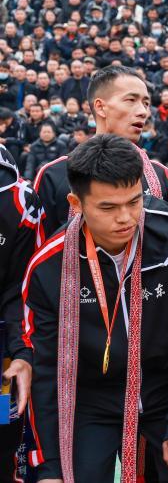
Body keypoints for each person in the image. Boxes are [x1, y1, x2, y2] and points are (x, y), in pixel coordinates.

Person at [22, 134, 168, 482]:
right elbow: (46, 370)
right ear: (76, 203)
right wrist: (49, 466)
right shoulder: (50, 267)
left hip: (165, 390)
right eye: (108, 208)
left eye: (134, 202)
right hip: (94, 398)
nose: (125, 218)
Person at [33, 65, 168, 241]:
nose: (143, 112)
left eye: (146, 103)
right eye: (131, 100)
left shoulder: (163, 176)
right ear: (100, 107)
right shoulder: (53, 174)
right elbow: (39, 248)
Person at [0, 145, 39, 482]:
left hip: (2, 346)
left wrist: (21, 350)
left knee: (3, 425)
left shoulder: (19, 201)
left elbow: (19, 288)